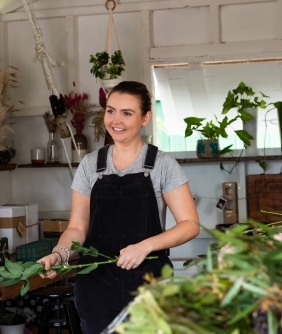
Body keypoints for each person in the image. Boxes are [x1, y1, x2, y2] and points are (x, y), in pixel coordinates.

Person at [38, 81, 200, 334]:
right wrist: (59, 254)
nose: (116, 120)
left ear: (145, 118)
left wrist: (144, 246)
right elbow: (77, 228)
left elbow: (190, 225)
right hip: (96, 286)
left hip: (149, 283)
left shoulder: (163, 165)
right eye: (111, 111)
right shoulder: (91, 165)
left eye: (127, 113)